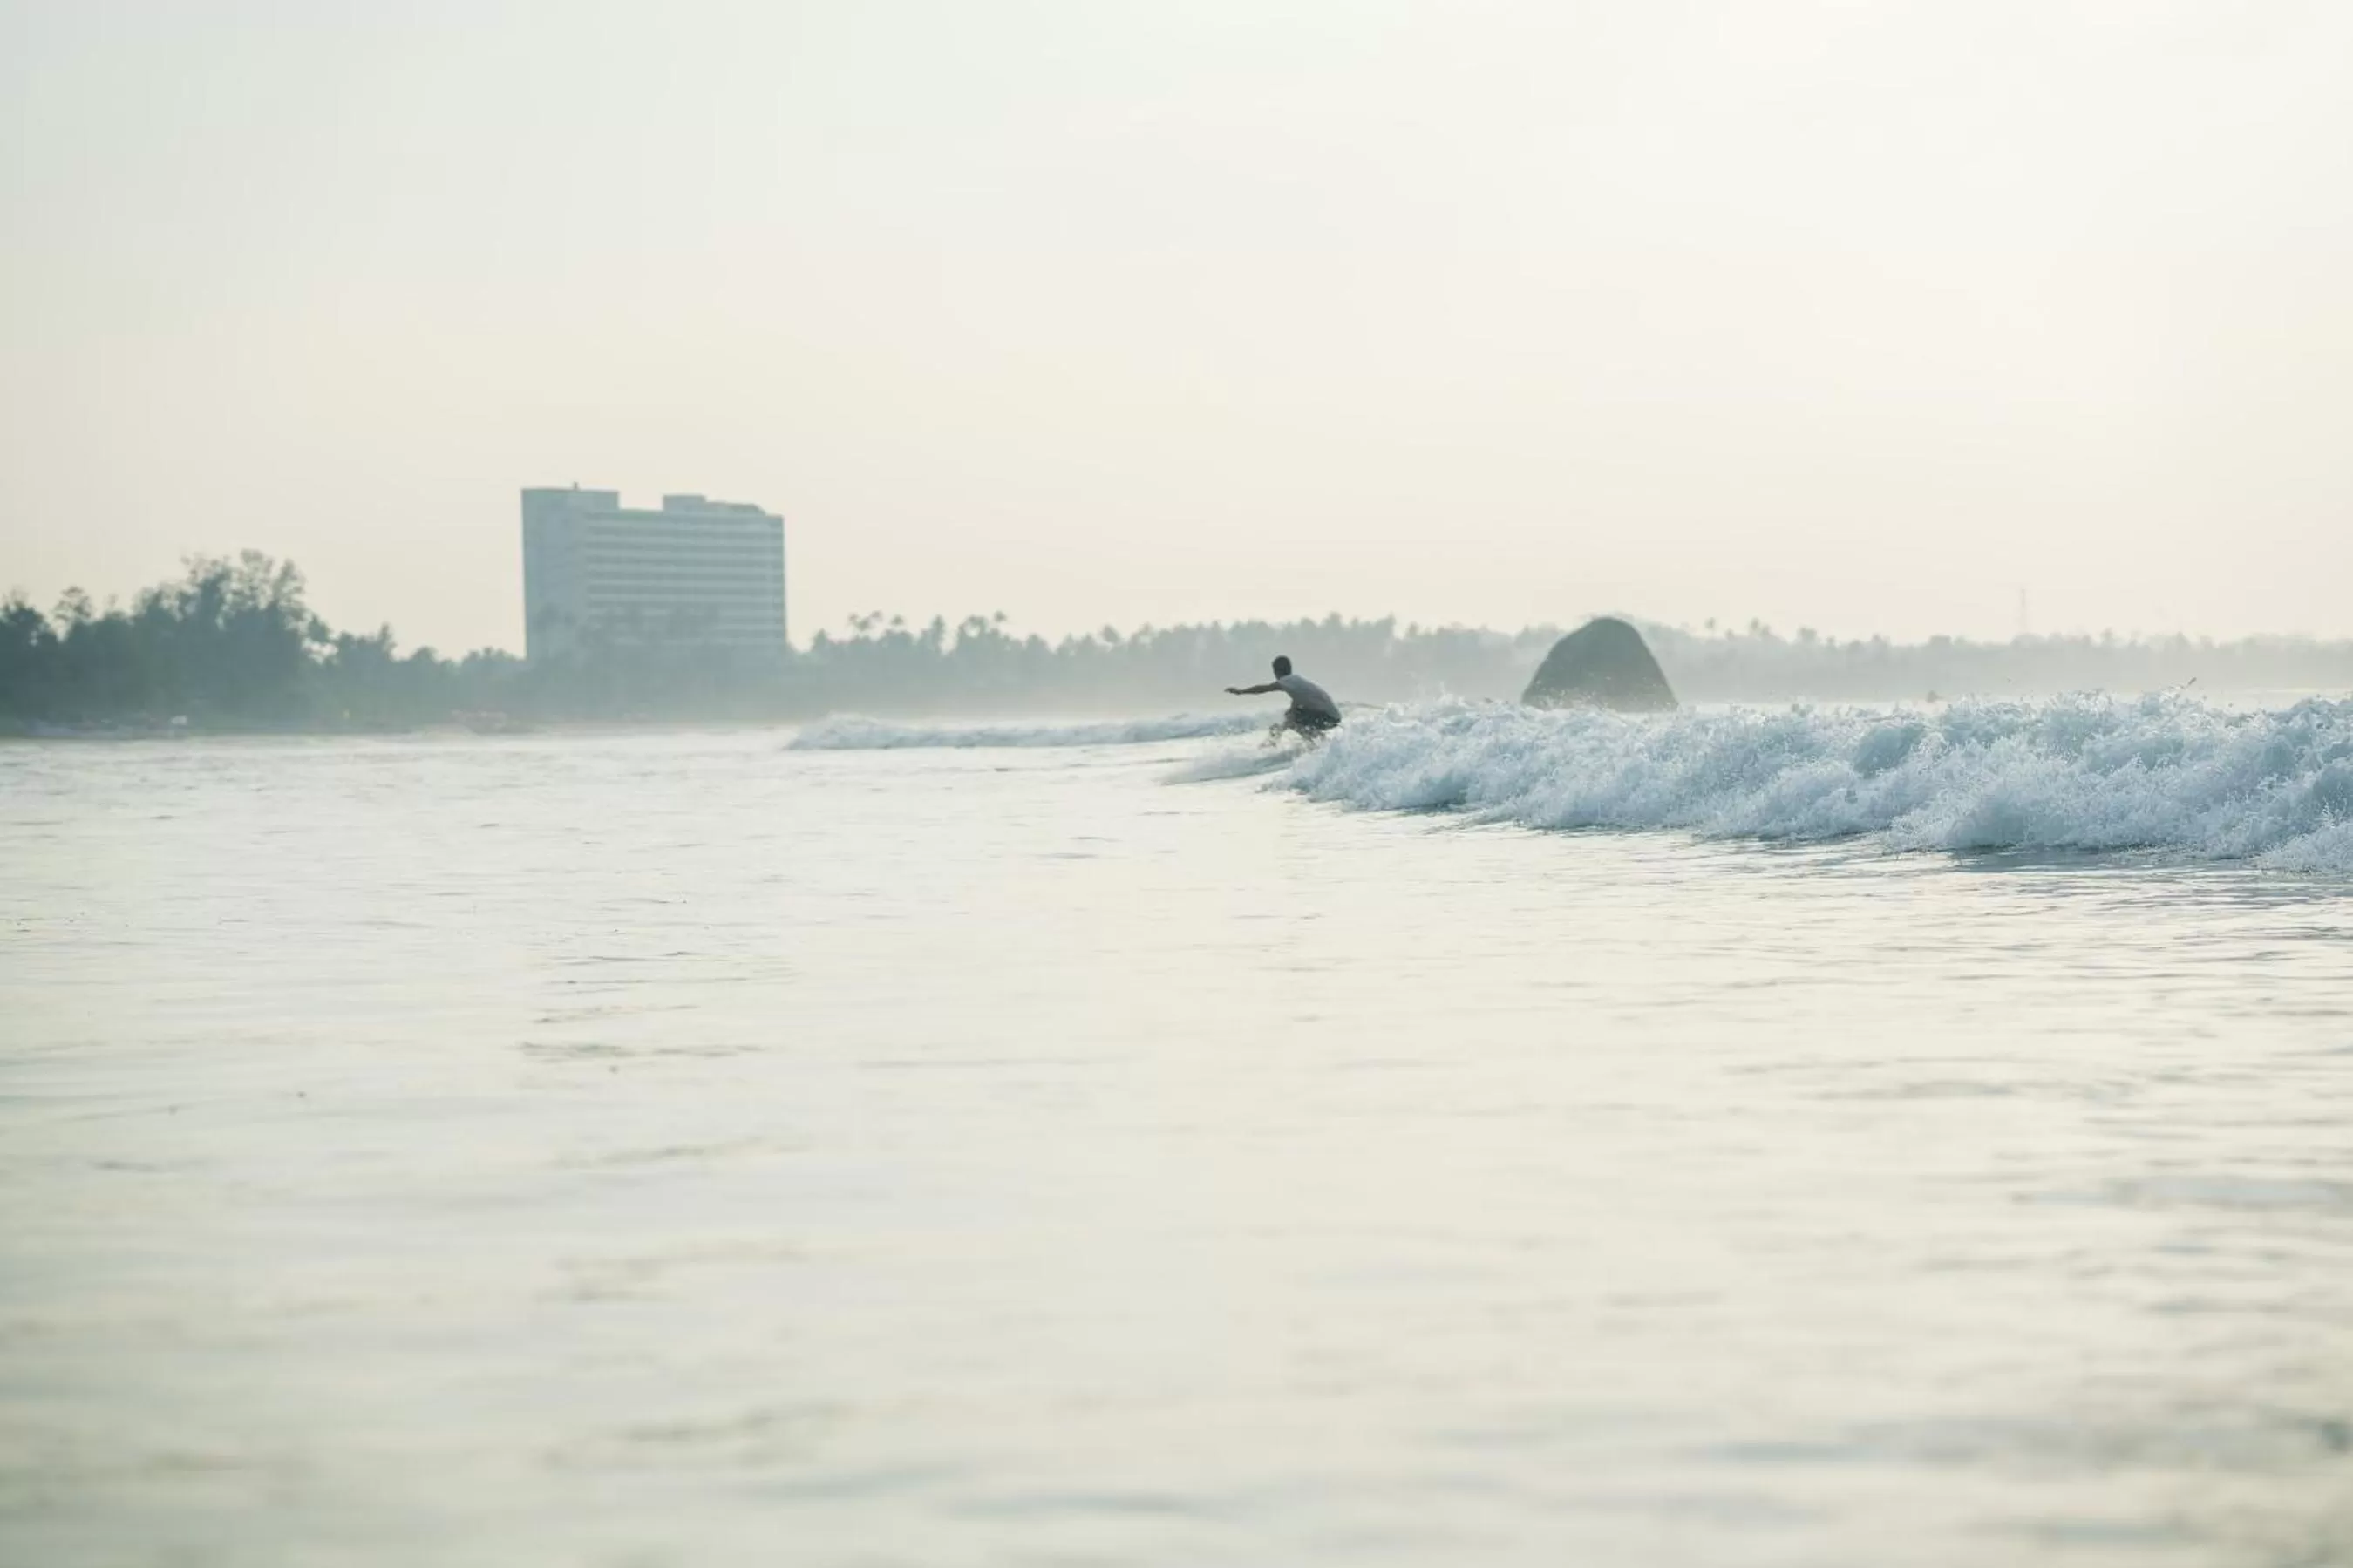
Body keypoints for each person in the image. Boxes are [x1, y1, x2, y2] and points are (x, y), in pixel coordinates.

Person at [1227, 655, 1342, 740]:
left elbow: (1263, 689)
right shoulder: (1296, 682)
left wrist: (1241, 692)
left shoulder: (1287, 681)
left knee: (1294, 719)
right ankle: (1318, 741)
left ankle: (1317, 742)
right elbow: (1292, 713)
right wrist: (1280, 730)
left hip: (1328, 717)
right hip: (1334, 717)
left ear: (1276, 671)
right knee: (1291, 714)